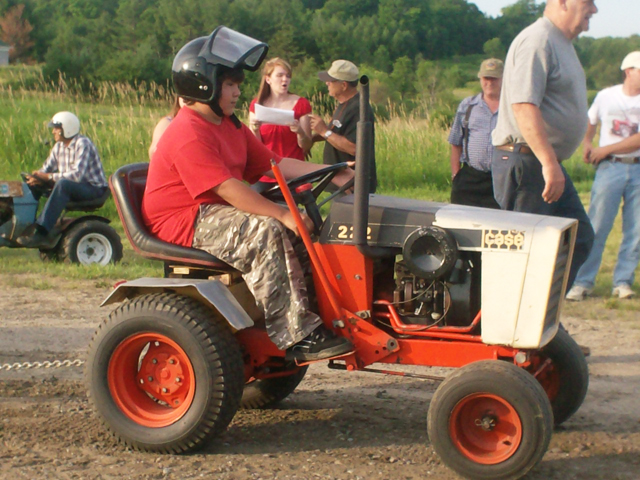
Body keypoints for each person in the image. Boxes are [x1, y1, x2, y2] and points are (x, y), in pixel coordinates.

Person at [142, 27, 355, 362]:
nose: (238, 92)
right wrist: (283, 213)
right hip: (184, 218)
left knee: (307, 227)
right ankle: (297, 334)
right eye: (230, 84)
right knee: (267, 228)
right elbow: (227, 188)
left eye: (238, 84)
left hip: (213, 210)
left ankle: (321, 314)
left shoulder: (229, 125)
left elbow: (275, 163)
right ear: (204, 84)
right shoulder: (187, 131)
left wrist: (337, 173)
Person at [491, 0, 598, 291]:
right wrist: (549, 164)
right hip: (527, 162)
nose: (595, 10)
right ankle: (513, 325)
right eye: (589, 2)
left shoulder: (560, 42)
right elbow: (524, 106)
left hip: (542, 162)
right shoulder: (537, 40)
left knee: (579, 238)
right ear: (563, 2)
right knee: (524, 251)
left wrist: (551, 163)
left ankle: (539, 319)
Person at [566, 51, 640, 301]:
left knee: (636, 228)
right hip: (610, 168)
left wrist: (603, 149)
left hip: (636, 165)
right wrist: (587, 142)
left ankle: (622, 282)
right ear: (629, 71)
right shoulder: (606, 96)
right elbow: (591, 120)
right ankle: (583, 281)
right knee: (597, 224)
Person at [16, 111, 108, 248]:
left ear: (67, 129)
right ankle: (24, 227)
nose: (53, 132)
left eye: (56, 129)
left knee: (63, 185)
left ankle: (41, 232)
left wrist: (48, 177)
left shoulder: (83, 144)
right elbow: (46, 168)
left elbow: (77, 176)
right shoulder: (58, 146)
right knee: (31, 185)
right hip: (75, 187)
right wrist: (37, 177)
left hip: (93, 189)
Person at [309, 59, 377, 193]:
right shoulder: (343, 105)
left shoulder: (358, 108)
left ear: (344, 85)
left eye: (331, 81)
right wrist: (310, 139)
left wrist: (323, 131)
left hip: (351, 184)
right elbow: (336, 133)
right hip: (340, 181)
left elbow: (355, 148)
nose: (327, 83)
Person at [448, 58, 503, 209]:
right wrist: (456, 175)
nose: (489, 83)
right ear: (480, 79)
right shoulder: (468, 106)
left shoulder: (513, 108)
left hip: (501, 181)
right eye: (486, 78)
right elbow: (455, 142)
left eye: (494, 78)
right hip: (470, 179)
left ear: (503, 79)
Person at [249, 57, 312, 185]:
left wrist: (300, 132)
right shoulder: (257, 104)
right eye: (280, 75)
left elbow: (306, 145)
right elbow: (254, 146)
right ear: (268, 79)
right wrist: (254, 129)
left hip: (294, 173)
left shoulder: (301, 104)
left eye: (288, 76)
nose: (285, 79)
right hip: (266, 173)